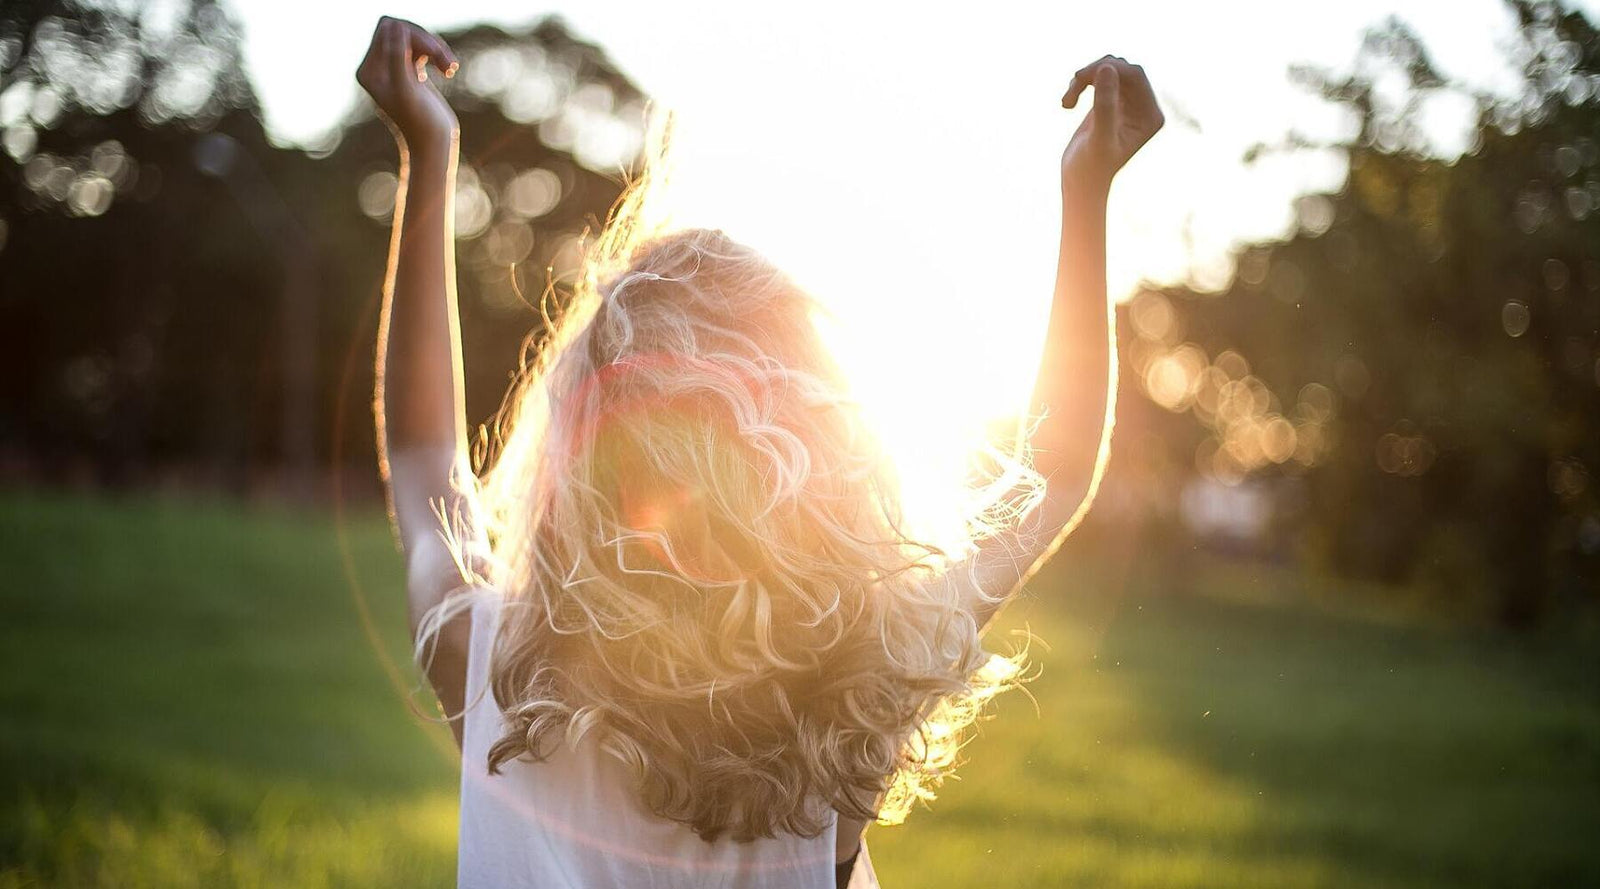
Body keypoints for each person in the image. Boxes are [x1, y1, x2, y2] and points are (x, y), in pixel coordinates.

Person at [357, 15, 1162, 889]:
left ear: (581, 471)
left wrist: (428, 155)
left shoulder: (487, 669)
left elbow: (426, 451)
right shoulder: (856, 697)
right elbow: (1053, 469)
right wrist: (1087, 192)